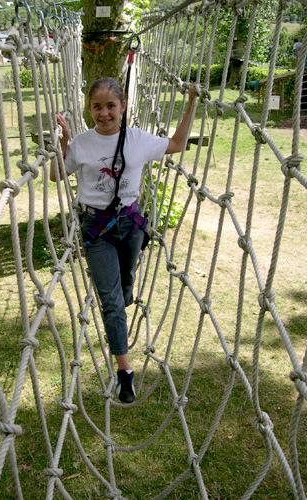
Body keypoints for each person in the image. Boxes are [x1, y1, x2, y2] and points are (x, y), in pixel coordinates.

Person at [51, 77, 197, 403]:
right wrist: (63, 143)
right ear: (89, 108)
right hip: (96, 230)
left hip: (131, 226)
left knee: (126, 286)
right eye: (97, 106)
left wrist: (190, 104)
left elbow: (177, 144)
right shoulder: (83, 143)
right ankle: (124, 370)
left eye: (110, 106)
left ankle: (125, 293)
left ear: (123, 106)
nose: (104, 113)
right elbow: (57, 174)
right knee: (112, 302)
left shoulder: (137, 140)